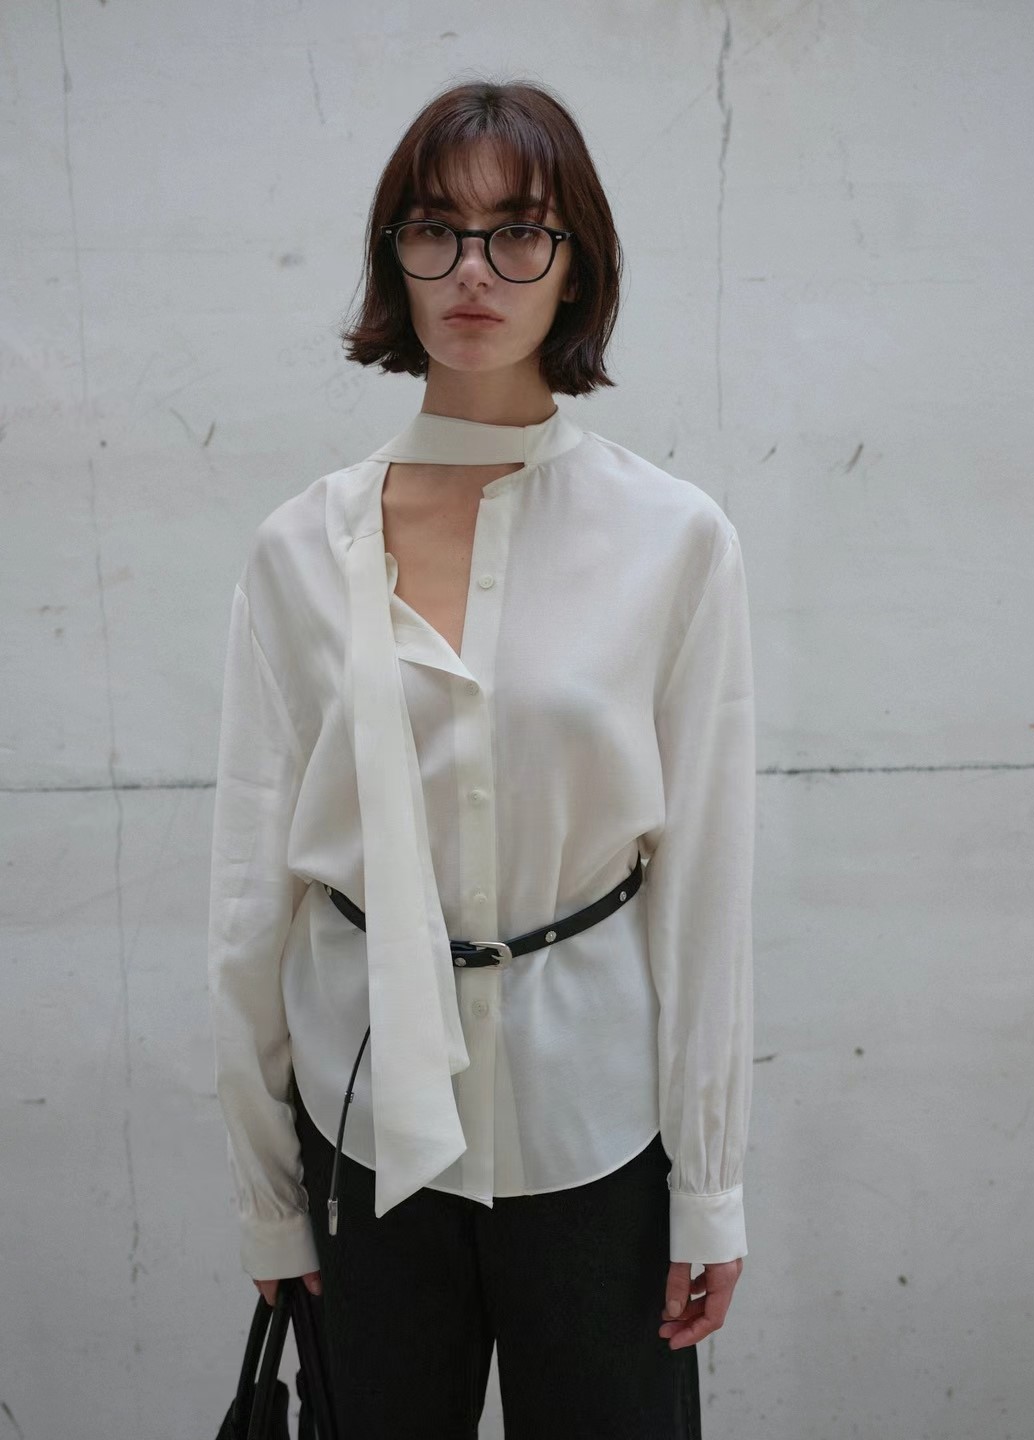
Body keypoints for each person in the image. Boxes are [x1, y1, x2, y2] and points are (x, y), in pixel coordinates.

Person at [207, 77, 755, 1439]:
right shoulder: (300, 548)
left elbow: (705, 883)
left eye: (518, 231)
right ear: (393, 256)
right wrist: (268, 1193)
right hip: (361, 1127)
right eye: (435, 228)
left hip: (596, 1127)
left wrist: (711, 1183)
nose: (473, 269)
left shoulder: (674, 539)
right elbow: (250, 895)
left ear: (577, 266)